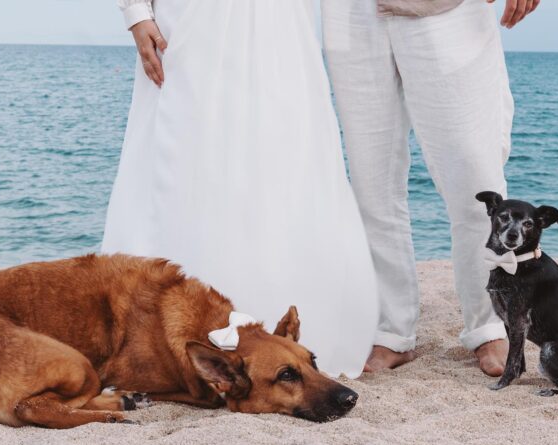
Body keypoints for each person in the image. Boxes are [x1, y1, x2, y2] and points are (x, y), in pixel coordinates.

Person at [104, 0, 379, 378]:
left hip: (279, 22)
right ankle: (167, 342)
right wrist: (135, 13)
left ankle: (302, 331)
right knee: (185, 162)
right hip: (188, 23)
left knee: (284, 158)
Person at [322, 0, 540, 374]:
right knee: (372, 186)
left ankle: (489, 326)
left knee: (477, 187)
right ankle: (391, 331)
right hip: (351, 14)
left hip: (448, 13)